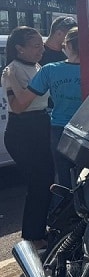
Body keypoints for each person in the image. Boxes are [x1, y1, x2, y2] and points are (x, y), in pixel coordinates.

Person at [1, 27, 54, 250]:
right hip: (22, 131)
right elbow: (18, 107)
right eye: (35, 46)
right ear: (19, 48)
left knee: (47, 181)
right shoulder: (12, 71)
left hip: (40, 125)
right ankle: (32, 236)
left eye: (41, 45)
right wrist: (12, 81)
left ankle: (39, 230)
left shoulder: (37, 67)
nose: (40, 50)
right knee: (38, 182)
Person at [15, 27, 82, 188]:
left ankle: (63, 210)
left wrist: (11, 84)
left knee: (63, 179)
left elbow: (22, 102)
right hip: (88, 129)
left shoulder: (50, 70)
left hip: (60, 129)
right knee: (88, 177)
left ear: (68, 46)